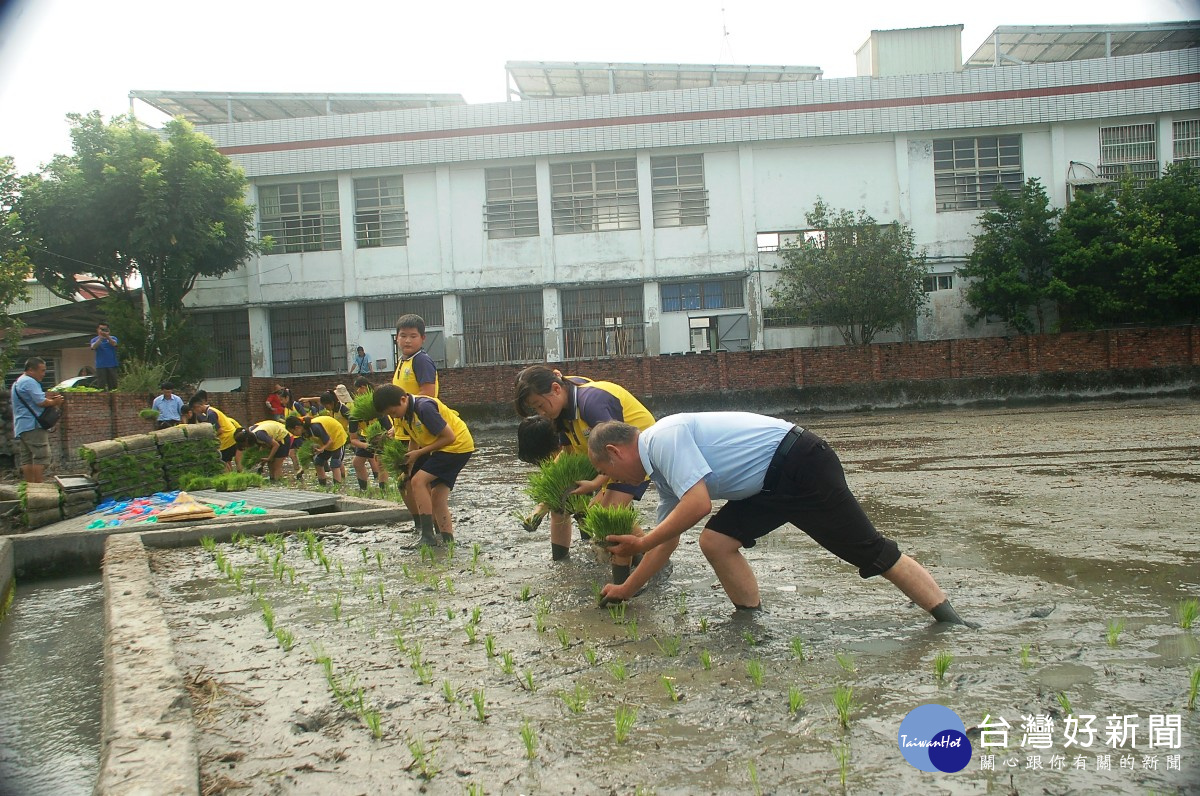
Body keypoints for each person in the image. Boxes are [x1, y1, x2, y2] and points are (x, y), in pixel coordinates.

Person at [587, 413, 972, 625]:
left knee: (867, 550)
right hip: (767, 487)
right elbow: (668, 539)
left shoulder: (663, 439)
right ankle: (750, 620)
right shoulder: (664, 472)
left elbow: (699, 506)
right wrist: (627, 588)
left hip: (801, 464)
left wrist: (642, 542)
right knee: (716, 541)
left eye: (607, 472)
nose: (613, 482)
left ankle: (949, 619)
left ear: (615, 451)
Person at [514, 365, 654, 585]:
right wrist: (546, 499)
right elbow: (569, 456)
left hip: (634, 455)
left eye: (540, 405)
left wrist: (596, 484)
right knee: (583, 507)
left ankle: (642, 573)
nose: (541, 413)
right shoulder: (563, 411)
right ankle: (641, 560)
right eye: (536, 409)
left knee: (604, 512)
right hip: (605, 459)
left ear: (555, 389)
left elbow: (615, 451)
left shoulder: (592, 403)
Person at [373, 384, 473, 548]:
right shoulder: (405, 414)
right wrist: (409, 463)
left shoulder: (424, 407)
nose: (393, 416)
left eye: (392, 412)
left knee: (418, 482)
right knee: (437, 497)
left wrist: (419, 454)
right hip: (444, 448)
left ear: (403, 399)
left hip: (455, 447)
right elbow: (414, 437)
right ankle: (447, 541)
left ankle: (427, 536)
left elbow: (449, 437)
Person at [10, 357, 65, 484]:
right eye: (42, 371)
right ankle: (39, 486)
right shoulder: (30, 381)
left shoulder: (19, 382)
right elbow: (41, 402)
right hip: (33, 425)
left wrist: (46, 395)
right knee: (41, 456)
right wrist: (54, 402)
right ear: (30, 370)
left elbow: (32, 398)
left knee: (27, 458)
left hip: (22, 426)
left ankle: (30, 486)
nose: (44, 374)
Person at [349, 377, 390, 492]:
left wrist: (380, 440)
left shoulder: (378, 409)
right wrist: (366, 446)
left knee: (381, 463)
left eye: (358, 389)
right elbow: (353, 439)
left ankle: (384, 491)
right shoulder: (354, 414)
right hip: (366, 439)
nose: (357, 392)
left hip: (381, 436)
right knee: (357, 463)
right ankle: (364, 489)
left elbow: (390, 430)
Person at [189, 394, 243, 472]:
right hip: (231, 437)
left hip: (226, 439)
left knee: (222, 462)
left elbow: (219, 430)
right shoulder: (210, 410)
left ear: (198, 406)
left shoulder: (211, 414)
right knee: (228, 461)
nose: (195, 412)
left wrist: (208, 440)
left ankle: (231, 478)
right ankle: (234, 476)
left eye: (194, 410)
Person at [239, 416, 304, 481]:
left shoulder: (260, 435)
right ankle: (273, 481)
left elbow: (276, 445)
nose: (246, 447)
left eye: (245, 445)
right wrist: (262, 465)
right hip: (275, 439)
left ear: (247, 440)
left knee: (276, 466)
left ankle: (279, 484)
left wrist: (269, 458)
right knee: (270, 464)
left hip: (283, 438)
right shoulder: (254, 436)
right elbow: (263, 450)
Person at [392, 314, 438, 398]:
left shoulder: (422, 360)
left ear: (423, 338)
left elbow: (428, 394)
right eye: (403, 336)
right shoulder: (402, 360)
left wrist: (403, 405)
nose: (407, 341)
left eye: (413, 336)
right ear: (397, 338)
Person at [300, 414, 348, 486]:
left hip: (337, 437)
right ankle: (322, 486)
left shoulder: (315, 427)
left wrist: (321, 449)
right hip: (326, 442)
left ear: (297, 427)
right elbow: (314, 443)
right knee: (318, 462)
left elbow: (329, 441)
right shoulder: (304, 432)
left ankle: (339, 486)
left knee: (335, 464)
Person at [90, 322, 119, 391]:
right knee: (101, 386)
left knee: (113, 386)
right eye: (101, 329)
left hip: (112, 364)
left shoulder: (113, 338)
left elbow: (114, 344)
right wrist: (100, 338)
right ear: (97, 329)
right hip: (100, 366)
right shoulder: (94, 340)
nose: (103, 331)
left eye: (105, 329)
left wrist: (107, 336)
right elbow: (93, 347)